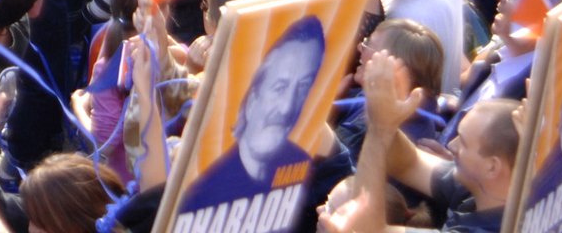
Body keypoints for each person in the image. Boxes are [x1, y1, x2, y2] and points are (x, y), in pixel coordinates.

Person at [177, 15, 327, 215]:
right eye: (279, 87)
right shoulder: (203, 175)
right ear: (251, 91)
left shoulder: (306, 164)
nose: (288, 107)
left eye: (303, 87)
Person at [361, 52, 517, 233]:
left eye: (464, 143)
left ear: (492, 167)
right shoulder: (482, 186)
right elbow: (408, 164)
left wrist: (379, 129)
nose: (452, 146)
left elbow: (365, 227)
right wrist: (385, 114)